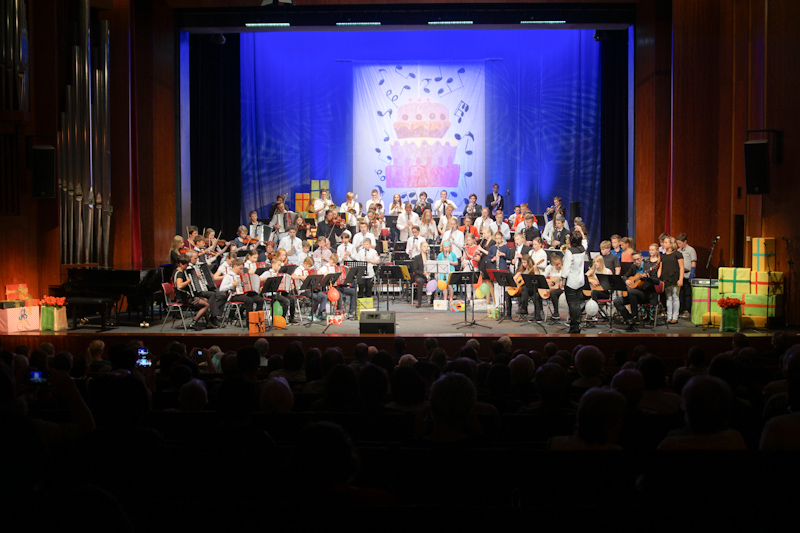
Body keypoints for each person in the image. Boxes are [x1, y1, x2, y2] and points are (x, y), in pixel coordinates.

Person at [613, 250, 659, 326]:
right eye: (634, 260)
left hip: (646, 294)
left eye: (638, 259)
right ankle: (629, 318)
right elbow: (625, 276)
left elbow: (657, 282)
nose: (636, 262)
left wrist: (648, 278)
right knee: (617, 302)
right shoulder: (633, 267)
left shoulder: (649, 267)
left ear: (642, 258)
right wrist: (626, 280)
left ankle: (635, 317)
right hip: (633, 295)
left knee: (631, 291)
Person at [172, 255, 211, 330]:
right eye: (186, 264)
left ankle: (208, 322)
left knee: (205, 300)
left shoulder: (180, 271)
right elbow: (179, 286)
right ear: (181, 264)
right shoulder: (179, 273)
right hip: (183, 298)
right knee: (206, 305)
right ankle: (194, 322)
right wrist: (188, 281)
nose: (187, 266)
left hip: (186, 296)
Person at [561, 229, 587, 333]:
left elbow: (566, 268)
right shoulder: (582, 249)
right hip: (580, 281)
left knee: (572, 304)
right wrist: (581, 232)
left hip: (571, 281)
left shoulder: (570, 252)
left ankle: (574, 326)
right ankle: (577, 324)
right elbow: (585, 242)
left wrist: (562, 279)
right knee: (577, 303)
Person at [659, 235, 684, 324]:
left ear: (671, 244)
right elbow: (661, 268)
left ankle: (675, 316)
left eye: (666, 242)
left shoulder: (677, 254)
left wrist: (680, 279)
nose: (664, 244)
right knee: (668, 297)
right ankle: (669, 316)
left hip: (675, 278)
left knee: (675, 297)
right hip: (666, 279)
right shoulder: (663, 256)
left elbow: (681, 267)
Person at [676, 233, 697, 318]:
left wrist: (691, 275)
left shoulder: (691, 250)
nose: (679, 245)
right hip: (681, 274)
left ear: (685, 242)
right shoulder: (679, 251)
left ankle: (687, 310)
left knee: (688, 293)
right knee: (680, 293)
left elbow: (693, 263)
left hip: (688, 274)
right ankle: (681, 309)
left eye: (680, 243)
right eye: (678, 243)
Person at [543, 254, 565, 322]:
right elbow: (542, 277)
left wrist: (561, 280)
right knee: (537, 294)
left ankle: (556, 313)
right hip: (552, 288)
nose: (558, 266)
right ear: (553, 264)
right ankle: (538, 314)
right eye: (556, 264)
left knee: (553, 293)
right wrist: (548, 281)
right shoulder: (550, 268)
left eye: (559, 263)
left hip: (562, 289)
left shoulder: (564, 270)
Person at [437, 241, 458, 307]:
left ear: (450, 247)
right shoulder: (440, 255)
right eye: (445, 247)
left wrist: (450, 262)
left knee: (450, 285)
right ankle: (445, 299)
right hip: (443, 272)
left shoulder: (452, 254)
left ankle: (451, 299)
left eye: (447, 247)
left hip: (450, 271)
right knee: (444, 286)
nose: (446, 248)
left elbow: (456, 263)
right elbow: (438, 263)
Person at [412, 241, 431, 307]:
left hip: (428, 275)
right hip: (420, 276)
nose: (426, 248)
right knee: (420, 281)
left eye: (427, 247)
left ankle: (432, 301)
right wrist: (423, 273)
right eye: (424, 246)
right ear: (421, 247)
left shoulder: (430, 257)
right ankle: (419, 302)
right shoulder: (417, 257)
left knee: (434, 281)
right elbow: (415, 269)